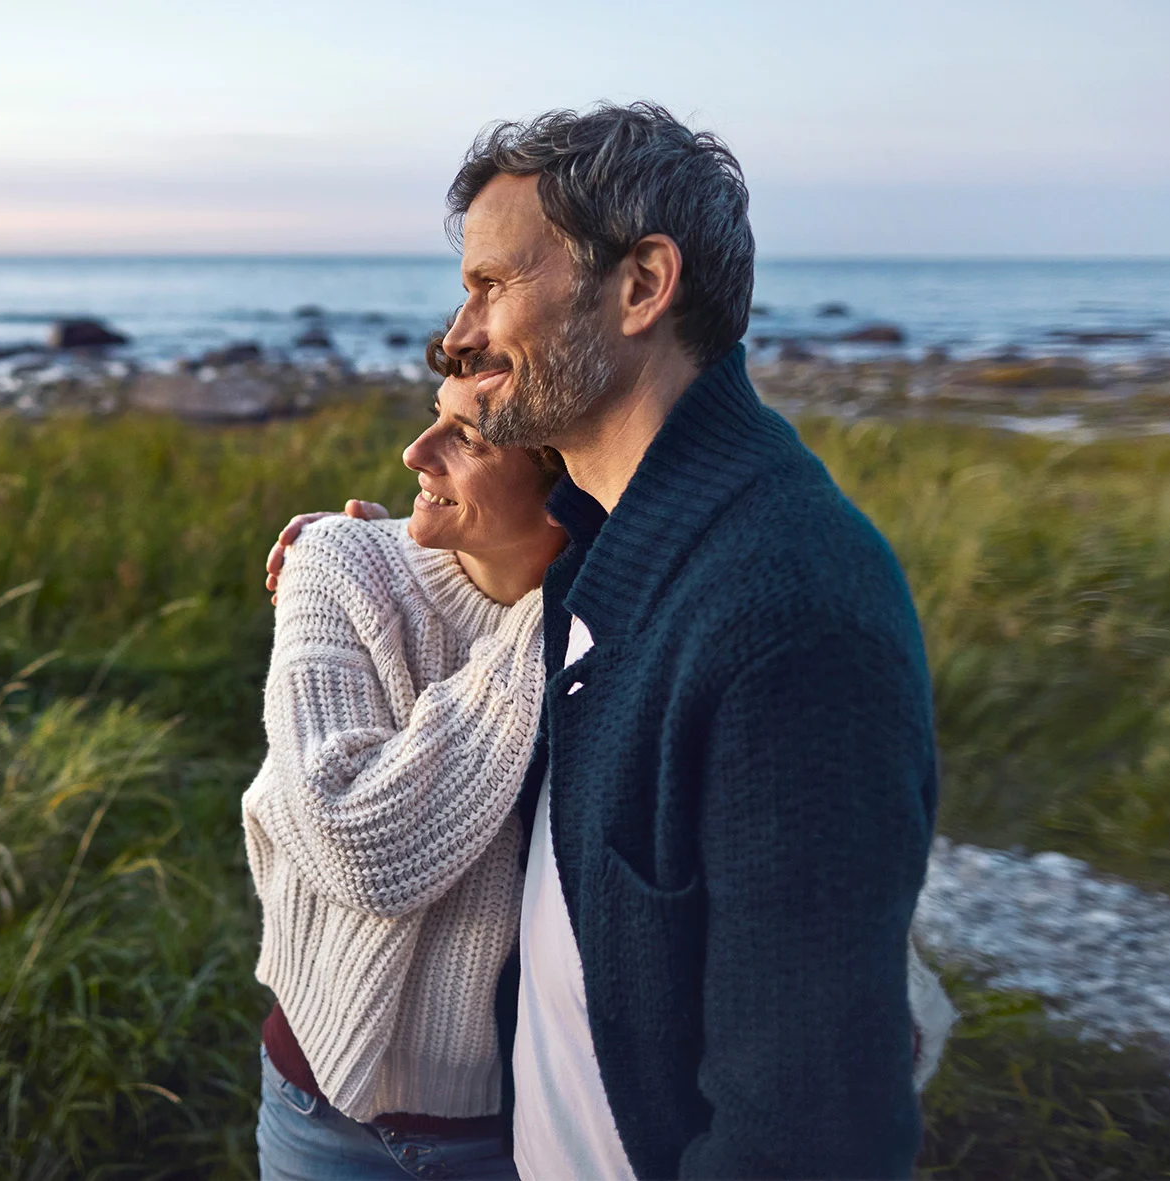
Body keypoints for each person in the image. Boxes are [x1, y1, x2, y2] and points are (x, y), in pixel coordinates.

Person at [265, 102, 953, 1179]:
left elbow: (808, 1130)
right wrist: (350, 551)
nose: (459, 332)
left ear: (641, 285)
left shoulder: (787, 614)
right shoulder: (602, 550)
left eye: (493, 283)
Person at [245, 342, 564, 1180]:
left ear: (571, 487)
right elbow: (359, 840)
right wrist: (548, 620)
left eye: (469, 439)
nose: (417, 453)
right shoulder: (340, 559)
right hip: (324, 1119)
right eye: (435, 418)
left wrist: (562, 603)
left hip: (524, 1131)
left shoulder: (617, 629)